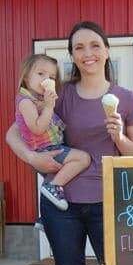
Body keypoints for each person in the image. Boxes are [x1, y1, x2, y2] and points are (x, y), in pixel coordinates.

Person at [6, 21, 133, 265]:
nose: (88, 53)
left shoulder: (126, 98)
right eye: (79, 47)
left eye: (94, 45)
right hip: (62, 202)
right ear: (71, 55)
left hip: (107, 201)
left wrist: (119, 138)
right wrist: (32, 159)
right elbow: (14, 130)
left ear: (106, 51)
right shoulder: (59, 94)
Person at [15, 53, 91, 216]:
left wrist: (46, 104)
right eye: (40, 74)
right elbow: (37, 129)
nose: (46, 79)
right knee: (83, 158)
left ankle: (43, 217)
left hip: (50, 148)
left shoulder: (38, 100)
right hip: (46, 150)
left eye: (51, 76)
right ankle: (54, 186)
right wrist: (49, 107)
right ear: (27, 78)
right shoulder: (26, 102)